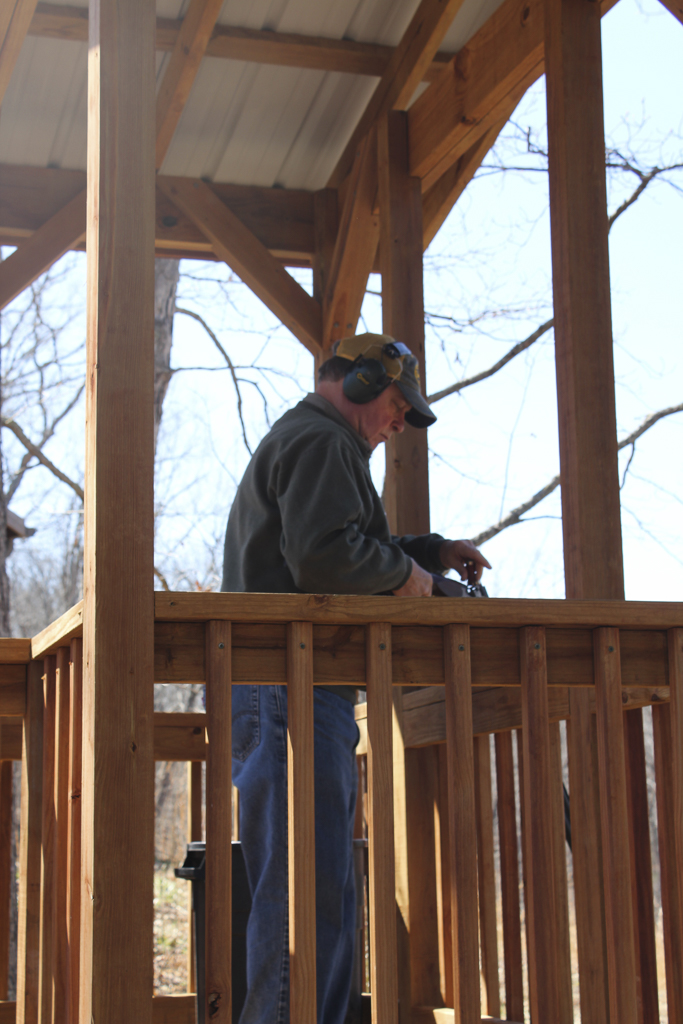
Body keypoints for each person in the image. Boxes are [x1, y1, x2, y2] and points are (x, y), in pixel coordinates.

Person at [222, 333, 491, 1024]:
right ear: (362, 383)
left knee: (320, 889)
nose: (399, 423)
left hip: (301, 687)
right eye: (398, 405)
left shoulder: (318, 441)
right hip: (291, 686)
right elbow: (324, 558)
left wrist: (429, 554)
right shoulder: (323, 442)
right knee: (302, 895)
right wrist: (409, 577)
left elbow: (342, 544)